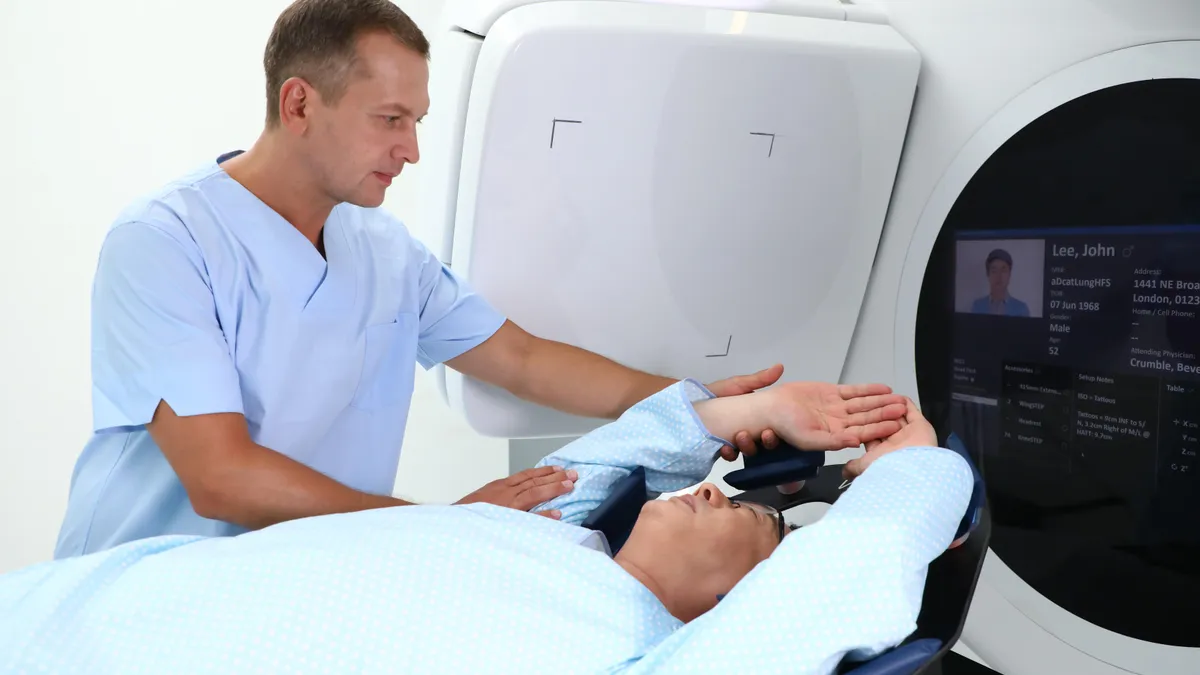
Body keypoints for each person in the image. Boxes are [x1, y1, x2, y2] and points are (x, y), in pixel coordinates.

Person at [53, 0, 790, 559]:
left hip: (301, 573)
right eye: (390, 119)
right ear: (299, 103)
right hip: (143, 584)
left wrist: (689, 400)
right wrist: (446, 523)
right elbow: (222, 476)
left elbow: (520, 359)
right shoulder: (164, 242)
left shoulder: (383, 250)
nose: (409, 149)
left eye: (418, 121)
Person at [1, 377, 973, 674]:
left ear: (727, 607)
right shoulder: (563, 536)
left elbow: (854, 565)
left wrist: (911, 474)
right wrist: (726, 420)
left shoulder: (643, 653)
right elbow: (590, 474)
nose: (725, 494)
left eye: (763, 532)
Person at [970, 247, 1031, 316]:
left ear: (1009, 274)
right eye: (994, 271)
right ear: (988, 274)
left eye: (1003, 271)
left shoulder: (1021, 309)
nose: (999, 276)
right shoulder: (977, 306)